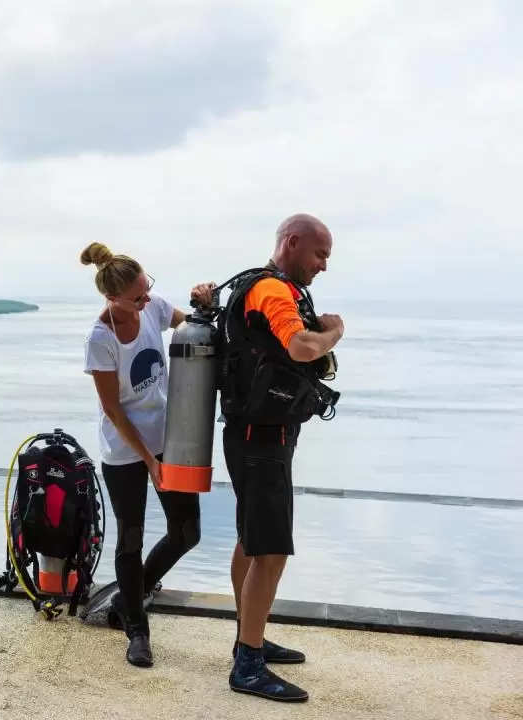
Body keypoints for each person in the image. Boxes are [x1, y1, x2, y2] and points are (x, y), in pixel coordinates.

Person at [190, 213, 344, 703]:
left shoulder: (256, 288)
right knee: (271, 548)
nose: (323, 266)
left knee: (251, 540)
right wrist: (333, 333)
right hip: (262, 439)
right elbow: (301, 348)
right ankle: (248, 665)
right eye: (320, 255)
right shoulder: (273, 291)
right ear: (292, 243)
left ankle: (247, 637)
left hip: (250, 433)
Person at [80, 242, 202, 669]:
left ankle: (127, 598)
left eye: (146, 287)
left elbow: (193, 328)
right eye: (137, 295)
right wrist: (149, 461)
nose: (147, 299)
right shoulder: (101, 339)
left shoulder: (152, 309)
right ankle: (137, 631)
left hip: (171, 441)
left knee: (187, 532)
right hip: (125, 451)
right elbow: (113, 411)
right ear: (113, 299)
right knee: (130, 539)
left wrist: (206, 307)